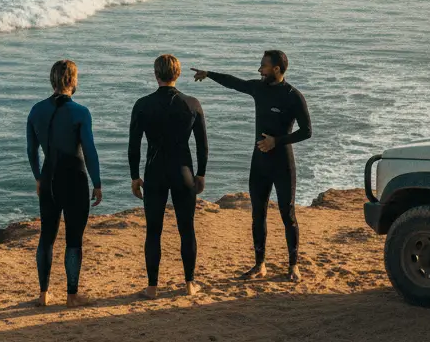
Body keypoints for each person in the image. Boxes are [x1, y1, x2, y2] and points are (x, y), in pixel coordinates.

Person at [193, 50, 311, 281]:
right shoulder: (259, 89)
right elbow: (234, 83)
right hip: (259, 163)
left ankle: (293, 265)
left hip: (283, 163)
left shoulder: (293, 96)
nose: (259, 70)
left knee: (288, 215)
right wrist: (208, 74)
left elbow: (307, 131)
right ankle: (260, 265)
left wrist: (276, 141)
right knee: (258, 214)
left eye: (263, 66)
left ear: (276, 69)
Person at [128, 54, 207, 297]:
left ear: (156, 74)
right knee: (187, 229)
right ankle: (190, 283)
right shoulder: (192, 103)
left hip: (154, 172)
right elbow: (202, 144)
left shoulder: (142, 104)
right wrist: (201, 174)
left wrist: (135, 176)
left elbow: (134, 145)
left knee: (153, 230)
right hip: (183, 172)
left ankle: (152, 287)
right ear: (178, 74)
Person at [26, 59, 102, 308]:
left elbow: (31, 150)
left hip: (48, 178)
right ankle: (72, 295)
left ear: (52, 80)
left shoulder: (36, 110)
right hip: (75, 180)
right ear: (72, 81)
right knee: (73, 239)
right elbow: (89, 151)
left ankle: (43, 295)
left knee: (46, 236)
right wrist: (97, 182)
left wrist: (38, 177)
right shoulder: (81, 112)